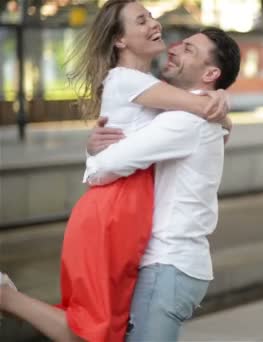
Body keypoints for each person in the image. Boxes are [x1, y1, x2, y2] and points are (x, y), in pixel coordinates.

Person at [0, 1, 230, 341]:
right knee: (93, 329)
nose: (155, 23)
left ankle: (7, 298)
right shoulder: (126, 80)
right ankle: (6, 298)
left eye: (151, 16)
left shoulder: (147, 86)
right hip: (114, 210)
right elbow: (200, 106)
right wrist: (222, 101)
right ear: (120, 40)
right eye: (141, 20)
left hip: (126, 212)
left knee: (101, 329)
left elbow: (198, 112)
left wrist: (220, 106)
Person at [84, 27, 241, 341]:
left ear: (211, 73)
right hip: (174, 266)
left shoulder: (184, 121)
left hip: (166, 265)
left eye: (189, 50)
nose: (174, 49)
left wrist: (94, 158)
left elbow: (106, 167)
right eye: (181, 44)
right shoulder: (187, 114)